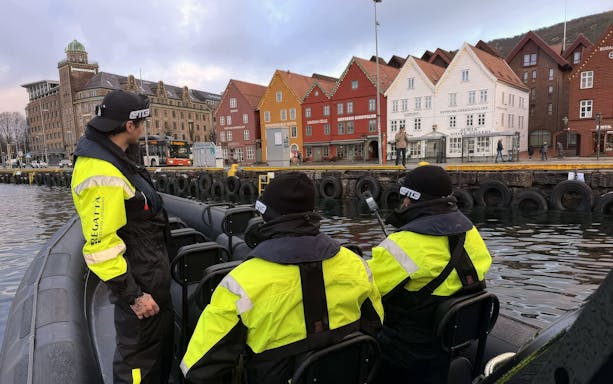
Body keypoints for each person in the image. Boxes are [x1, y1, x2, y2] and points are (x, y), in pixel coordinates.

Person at [181, 171, 384, 383]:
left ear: (265, 218)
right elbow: (375, 322)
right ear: (312, 212)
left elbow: (198, 368)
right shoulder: (356, 264)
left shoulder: (240, 284)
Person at [71, 90, 173, 384]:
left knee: (156, 355)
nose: (144, 130)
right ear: (131, 126)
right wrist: (134, 296)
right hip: (140, 286)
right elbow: (101, 246)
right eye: (143, 124)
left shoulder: (115, 156)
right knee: (137, 364)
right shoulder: (101, 172)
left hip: (151, 274)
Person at [367, 165, 492, 384]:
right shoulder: (470, 231)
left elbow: (366, 291)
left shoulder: (402, 245)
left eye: (404, 196)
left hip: (409, 352)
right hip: (452, 341)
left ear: (411, 199)